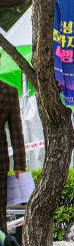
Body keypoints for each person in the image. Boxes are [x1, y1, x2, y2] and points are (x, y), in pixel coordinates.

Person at [0, 80, 27, 230]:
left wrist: (20, 165)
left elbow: (16, 131)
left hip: (0, 165)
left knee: (0, 219)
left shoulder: (10, 91)